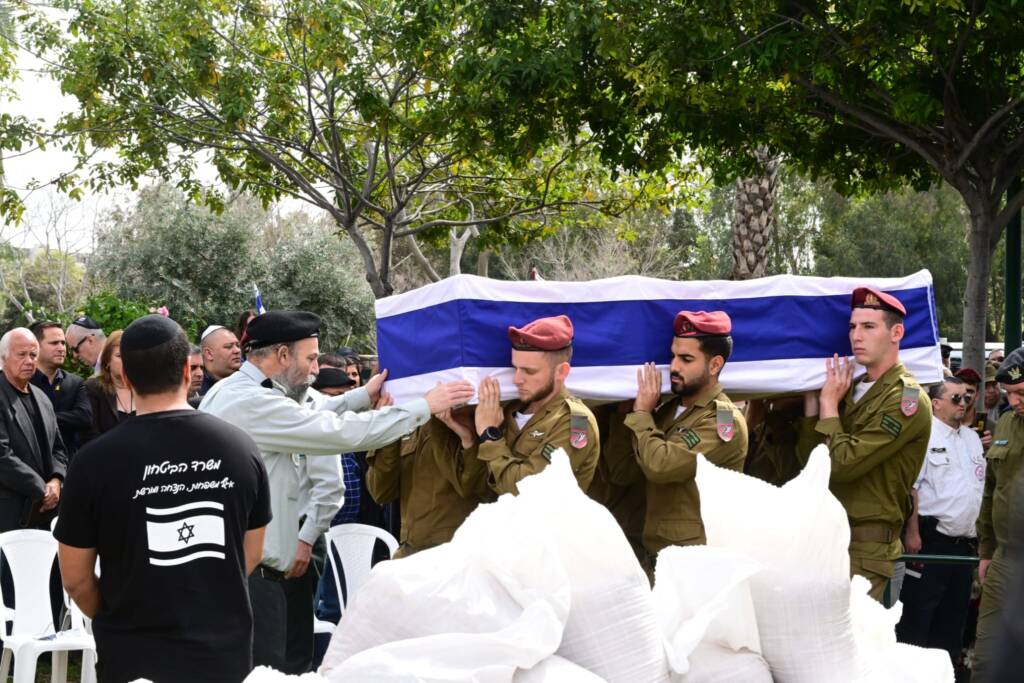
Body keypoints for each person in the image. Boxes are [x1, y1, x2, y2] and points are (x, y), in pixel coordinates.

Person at [199, 310, 475, 674]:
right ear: (282, 355)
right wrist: (425, 405)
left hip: (261, 574)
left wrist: (364, 395)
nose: (315, 369)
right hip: (254, 579)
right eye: (310, 358)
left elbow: (317, 409)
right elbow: (336, 432)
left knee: (290, 670)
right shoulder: (251, 402)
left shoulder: (245, 392)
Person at [55, 315, 272, 683]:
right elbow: (250, 554)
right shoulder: (240, 448)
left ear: (126, 378)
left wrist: (115, 615)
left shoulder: (93, 462)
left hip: (132, 655)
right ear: (188, 372)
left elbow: (75, 579)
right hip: (223, 654)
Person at [798, 287, 931, 602]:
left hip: (866, 547)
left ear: (896, 332)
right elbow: (810, 462)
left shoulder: (905, 398)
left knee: (855, 645)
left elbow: (842, 464)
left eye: (869, 327)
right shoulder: (850, 388)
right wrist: (812, 403)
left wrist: (830, 404)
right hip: (827, 538)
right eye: (852, 327)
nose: (856, 335)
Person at [604, 310, 747, 575]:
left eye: (686, 359)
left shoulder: (722, 422)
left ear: (715, 365)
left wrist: (642, 415)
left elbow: (661, 466)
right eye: (672, 356)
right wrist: (626, 415)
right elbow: (622, 472)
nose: (674, 367)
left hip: (697, 564)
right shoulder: (666, 412)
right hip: (656, 555)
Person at [896, 376, 984, 672]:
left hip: (964, 545)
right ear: (935, 404)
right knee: (919, 619)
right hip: (930, 541)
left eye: (967, 398)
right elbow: (911, 488)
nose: (964, 403)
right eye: (956, 398)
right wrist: (912, 532)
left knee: (953, 621)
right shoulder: (924, 436)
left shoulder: (972, 438)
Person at [464, 314, 599, 495]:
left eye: (529, 371)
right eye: (515, 368)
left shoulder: (577, 423)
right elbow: (478, 489)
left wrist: (490, 435)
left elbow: (528, 492)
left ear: (561, 372)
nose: (517, 379)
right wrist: (468, 439)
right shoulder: (508, 411)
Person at [367, 408, 491, 558]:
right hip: (412, 549)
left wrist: (459, 433)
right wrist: (388, 431)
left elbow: (470, 486)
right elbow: (381, 493)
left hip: (457, 551)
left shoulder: (467, 414)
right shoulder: (408, 419)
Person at [973, 348, 1024, 681]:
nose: (1015, 401)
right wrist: (987, 551)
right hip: (1005, 559)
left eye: (1021, 393)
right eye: (1010, 394)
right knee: (988, 660)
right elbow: (992, 491)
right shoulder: (1006, 420)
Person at [0, 328, 67, 532]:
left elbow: (58, 447)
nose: (29, 361)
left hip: (47, 513)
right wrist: (42, 489)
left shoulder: (41, 397)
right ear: (3, 357)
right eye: (21, 354)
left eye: (33, 355)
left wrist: (56, 480)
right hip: (9, 514)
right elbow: (2, 455)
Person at [28, 320, 91, 460]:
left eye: (63, 343)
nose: (61, 348)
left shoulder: (75, 383)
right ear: (35, 347)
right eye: (54, 343)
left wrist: (41, 418)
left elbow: (84, 417)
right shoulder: (23, 382)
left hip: (69, 466)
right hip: (31, 465)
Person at [83, 331, 134, 442]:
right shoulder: (93, 388)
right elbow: (89, 434)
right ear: (107, 361)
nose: (126, 360)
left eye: (130, 355)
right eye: (119, 356)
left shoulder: (144, 387)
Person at [743, 396, 804, 486]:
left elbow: (789, 473)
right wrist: (747, 425)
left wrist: (777, 416)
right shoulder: (724, 410)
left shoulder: (810, 418)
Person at [199, 325, 242, 395]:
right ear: (209, 354)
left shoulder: (249, 377)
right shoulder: (194, 385)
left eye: (238, 345)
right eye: (228, 346)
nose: (237, 350)